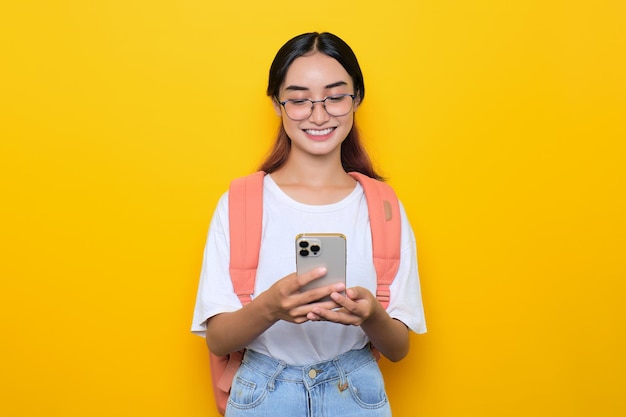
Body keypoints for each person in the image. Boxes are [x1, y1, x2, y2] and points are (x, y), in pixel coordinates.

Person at [192, 32, 426, 417]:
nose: (319, 116)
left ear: (357, 99)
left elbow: (399, 348)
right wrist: (270, 307)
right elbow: (218, 340)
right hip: (263, 395)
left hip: (357, 393)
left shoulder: (383, 207)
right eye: (299, 100)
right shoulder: (240, 204)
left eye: (335, 96)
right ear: (277, 104)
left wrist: (372, 315)